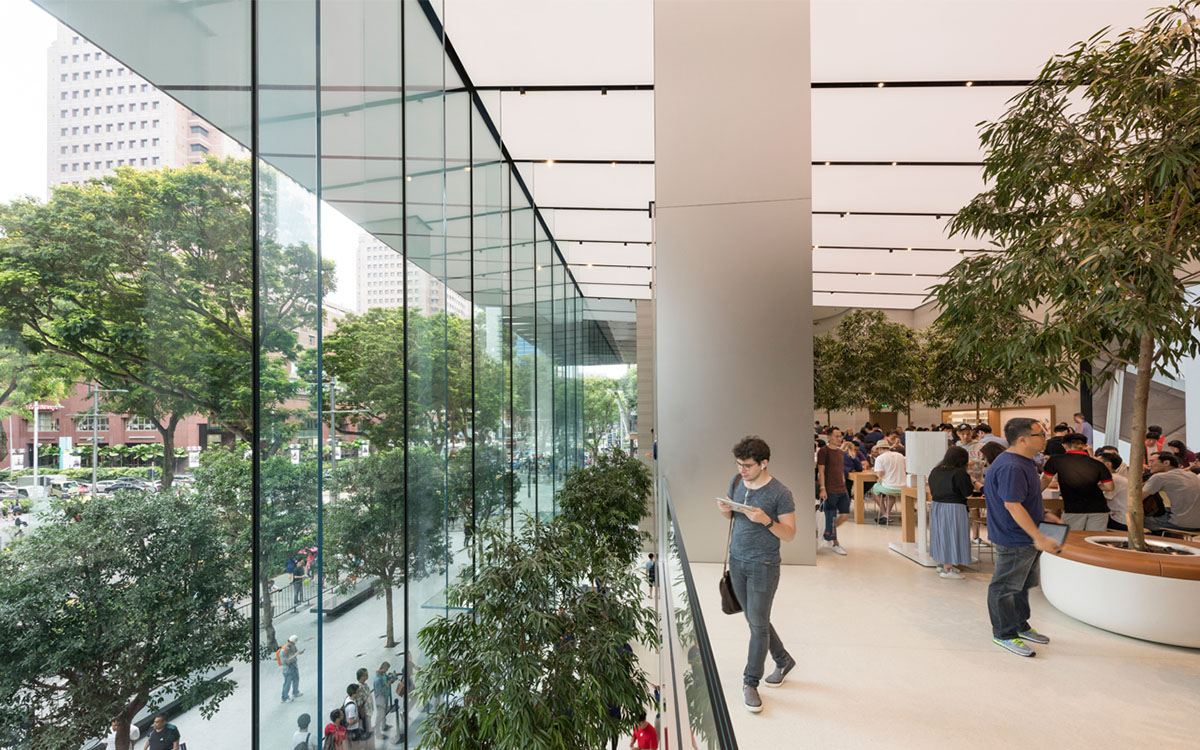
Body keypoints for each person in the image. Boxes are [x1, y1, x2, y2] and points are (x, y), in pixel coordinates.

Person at [716, 436, 796, 714]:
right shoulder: (737, 482)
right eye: (739, 464)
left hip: (763, 565)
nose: (742, 470)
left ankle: (750, 682)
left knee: (758, 625)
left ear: (764, 463)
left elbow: (790, 535)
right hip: (736, 561)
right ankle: (783, 659)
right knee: (755, 620)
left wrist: (767, 521)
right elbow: (732, 518)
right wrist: (725, 510)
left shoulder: (780, 493)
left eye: (747, 465)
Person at [984, 418, 1062, 658]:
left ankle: (1020, 625)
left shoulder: (1025, 462)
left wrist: (1045, 515)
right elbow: (1013, 505)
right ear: (1023, 439)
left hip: (1027, 533)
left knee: (1022, 584)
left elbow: (1027, 498)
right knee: (1005, 586)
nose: (1045, 438)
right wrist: (1038, 536)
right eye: (1040, 434)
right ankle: (1005, 633)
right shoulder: (1011, 466)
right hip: (1014, 536)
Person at [1041, 432, 1113, 531]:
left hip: (1073, 508)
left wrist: (1034, 494)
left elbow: (1045, 479)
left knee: (1072, 540)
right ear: (1085, 446)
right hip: (1099, 509)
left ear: (1064, 445)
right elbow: (1109, 487)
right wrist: (1093, 486)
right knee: (1094, 541)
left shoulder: (1056, 460)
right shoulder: (1098, 464)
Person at [928, 445, 975, 579]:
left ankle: (941, 564)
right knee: (952, 535)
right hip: (954, 508)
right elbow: (968, 492)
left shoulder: (935, 470)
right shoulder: (959, 473)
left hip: (937, 506)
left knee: (941, 535)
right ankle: (948, 569)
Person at [1143, 452, 1200, 532]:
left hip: (1180, 524)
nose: (1149, 465)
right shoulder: (1192, 475)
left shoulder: (1160, 477)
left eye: (1152, 461)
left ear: (1166, 463)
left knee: (1136, 519)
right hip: (1198, 523)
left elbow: (1137, 498)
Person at [816, 428, 851, 555]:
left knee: (845, 515)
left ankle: (828, 531)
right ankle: (835, 542)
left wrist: (844, 486)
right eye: (836, 436)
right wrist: (823, 488)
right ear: (829, 437)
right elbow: (821, 471)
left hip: (841, 489)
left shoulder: (840, 452)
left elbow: (840, 471)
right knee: (831, 517)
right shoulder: (824, 452)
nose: (839, 438)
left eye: (840, 436)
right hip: (829, 490)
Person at [871, 442, 907, 524]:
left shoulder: (880, 458)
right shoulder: (900, 456)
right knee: (891, 494)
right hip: (903, 487)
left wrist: (876, 472)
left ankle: (884, 514)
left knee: (873, 490)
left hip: (889, 486)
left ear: (879, 449)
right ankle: (886, 514)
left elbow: (879, 474)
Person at [1099, 453, 1130, 530]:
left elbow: (1102, 501)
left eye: (1097, 462)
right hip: (1124, 519)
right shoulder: (1118, 478)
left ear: (1107, 464)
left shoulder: (1113, 479)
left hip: (1119, 520)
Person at [372, 662, 394, 739]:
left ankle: (384, 726)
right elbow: (379, 691)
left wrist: (391, 676)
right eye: (386, 669)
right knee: (379, 715)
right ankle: (377, 733)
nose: (386, 671)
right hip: (380, 700)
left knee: (384, 713)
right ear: (383, 668)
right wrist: (388, 683)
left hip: (385, 697)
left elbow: (387, 677)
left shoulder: (383, 674)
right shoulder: (377, 680)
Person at [279, 635, 304, 702]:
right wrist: (295, 655)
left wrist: (300, 652)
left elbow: (296, 651)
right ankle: (285, 697)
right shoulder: (283, 651)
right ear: (291, 642)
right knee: (287, 683)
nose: (294, 645)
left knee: (296, 679)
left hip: (294, 666)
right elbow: (284, 661)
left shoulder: (293, 646)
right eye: (294, 643)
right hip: (287, 669)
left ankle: (295, 692)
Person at [354, 668, 374, 748]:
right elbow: (358, 703)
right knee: (366, 731)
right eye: (365, 675)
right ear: (361, 676)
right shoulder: (358, 687)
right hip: (365, 713)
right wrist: (363, 714)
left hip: (368, 711)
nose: (367, 676)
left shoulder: (365, 685)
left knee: (368, 729)